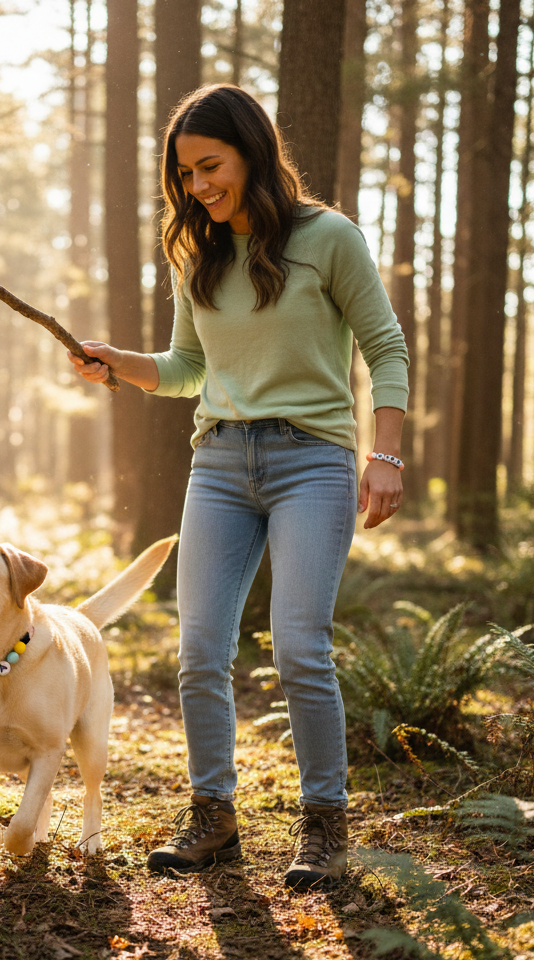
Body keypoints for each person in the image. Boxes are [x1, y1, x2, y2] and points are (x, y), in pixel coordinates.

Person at [68, 84, 409, 888]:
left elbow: (385, 346)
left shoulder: (329, 238)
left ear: (253, 153)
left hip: (311, 461)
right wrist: (120, 361)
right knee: (197, 653)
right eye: (185, 174)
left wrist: (385, 455)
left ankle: (325, 825)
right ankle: (212, 816)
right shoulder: (195, 252)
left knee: (298, 650)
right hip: (219, 464)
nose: (198, 187)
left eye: (210, 166)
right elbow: (189, 369)